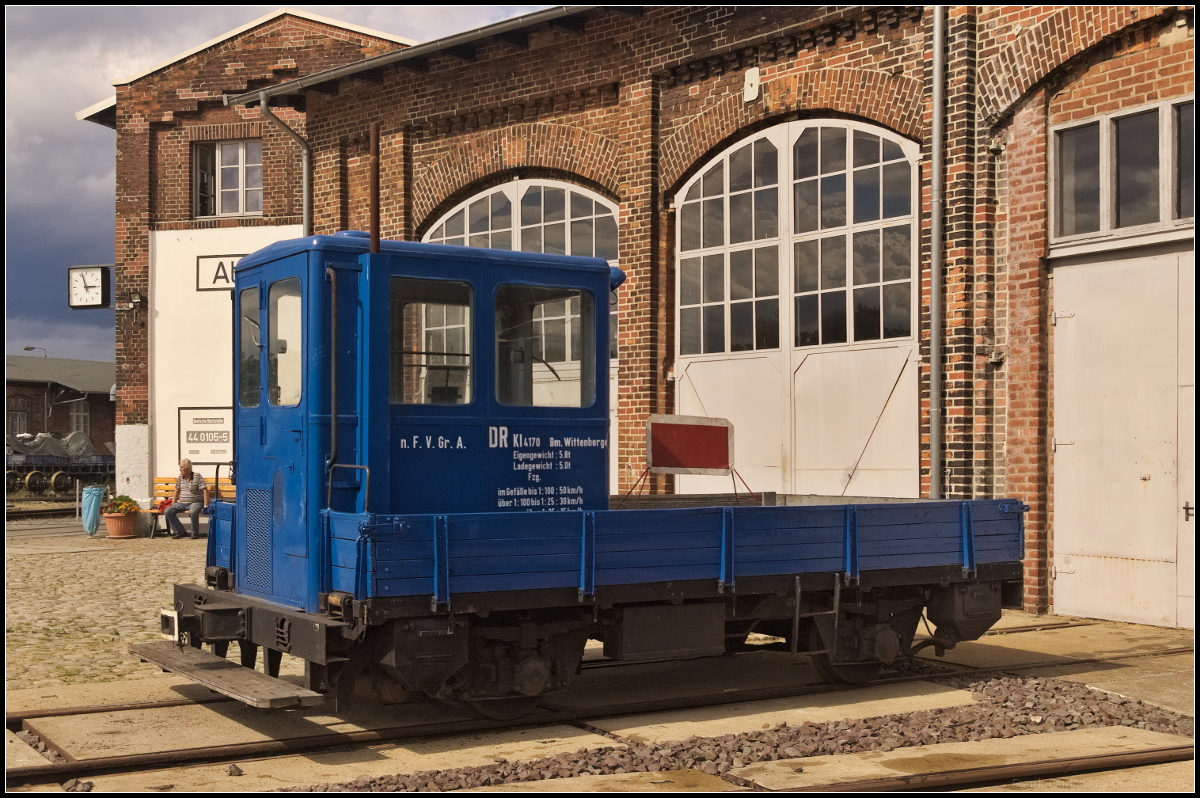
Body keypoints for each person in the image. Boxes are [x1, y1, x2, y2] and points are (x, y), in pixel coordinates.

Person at [165, 459, 210, 539]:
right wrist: (173, 504)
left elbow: (205, 491)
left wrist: (206, 505)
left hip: (196, 502)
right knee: (168, 511)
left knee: (193, 511)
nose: (180, 469)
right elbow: (177, 491)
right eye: (180, 467)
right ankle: (180, 531)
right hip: (182, 503)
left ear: (188, 468)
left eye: (182, 467)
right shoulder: (180, 478)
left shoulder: (197, 476)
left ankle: (194, 533)